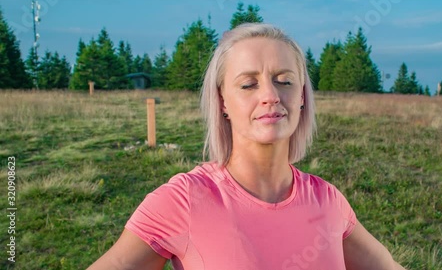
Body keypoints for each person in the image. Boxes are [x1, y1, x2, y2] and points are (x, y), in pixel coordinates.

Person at [88, 23, 406, 270]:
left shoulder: (328, 201)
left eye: (285, 80)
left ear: (303, 97)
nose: (270, 95)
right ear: (223, 99)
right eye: (248, 84)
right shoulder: (183, 200)